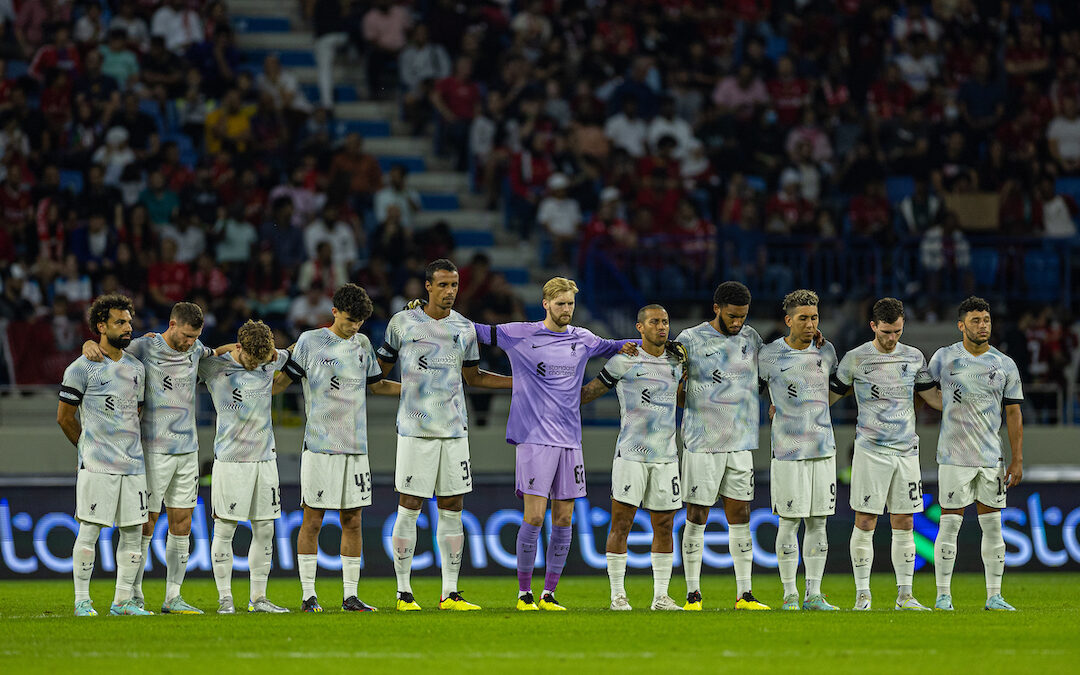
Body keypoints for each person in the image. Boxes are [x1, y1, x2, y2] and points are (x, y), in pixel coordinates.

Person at [471, 277, 636, 610]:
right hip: (535, 438)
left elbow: (618, 344)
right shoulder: (520, 334)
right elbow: (475, 330)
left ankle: (548, 594)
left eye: (571, 304)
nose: (567, 310)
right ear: (545, 303)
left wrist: (651, 340)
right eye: (560, 304)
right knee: (534, 517)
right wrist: (434, 319)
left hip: (570, 441)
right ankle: (523, 594)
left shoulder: (583, 339)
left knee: (563, 519)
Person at [376, 259, 512, 611]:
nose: (450, 291)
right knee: (409, 507)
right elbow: (377, 375)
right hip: (415, 431)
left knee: (453, 508)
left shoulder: (464, 328)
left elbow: (474, 377)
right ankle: (404, 593)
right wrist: (408, 392)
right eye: (443, 285)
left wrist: (519, 383)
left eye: (454, 285)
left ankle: (450, 593)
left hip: (454, 431)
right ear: (428, 286)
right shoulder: (402, 323)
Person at [81, 302, 231, 614]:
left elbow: (215, 353)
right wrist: (89, 343)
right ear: (172, 324)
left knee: (182, 521)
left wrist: (240, 348)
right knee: (145, 522)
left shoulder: (196, 349)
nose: (190, 342)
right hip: (151, 450)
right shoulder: (144, 347)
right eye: (186, 335)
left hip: (188, 451)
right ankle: (133, 594)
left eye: (195, 337)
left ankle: (172, 597)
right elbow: (111, 351)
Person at [272, 284, 401, 612]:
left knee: (353, 520)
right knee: (313, 519)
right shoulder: (310, 342)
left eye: (359, 321)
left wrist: (415, 389)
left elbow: (378, 385)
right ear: (334, 312)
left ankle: (349, 596)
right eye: (348, 319)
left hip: (356, 450)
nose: (354, 326)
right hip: (319, 447)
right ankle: (307, 595)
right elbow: (281, 383)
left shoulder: (362, 344)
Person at [829, 298, 942, 611]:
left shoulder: (914, 356)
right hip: (871, 451)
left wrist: (965, 403)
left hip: (906, 451)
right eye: (886, 332)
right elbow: (829, 396)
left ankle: (905, 595)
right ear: (873, 326)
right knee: (865, 520)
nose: (892, 338)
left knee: (905, 520)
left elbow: (931, 397)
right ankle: (862, 594)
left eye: (897, 332)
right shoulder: (856, 359)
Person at [581, 305, 685, 611]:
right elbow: (589, 393)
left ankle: (661, 597)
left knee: (664, 525)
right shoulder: (624, 360)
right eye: (654, 322)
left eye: (665, 321)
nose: (662, 327)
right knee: (621, 523)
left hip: (666, 456)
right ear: (640, 327)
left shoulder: (677, 361)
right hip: (631, 455)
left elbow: (682, 398)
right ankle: (617, 595)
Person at [927, 297, 1024, 611]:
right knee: (950, 524)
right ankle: (943, 596)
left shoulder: (1005, 364)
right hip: (954, 456)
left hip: (990, 457)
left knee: (993, 526)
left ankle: (994, 596)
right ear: (961, 325)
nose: (982, 325)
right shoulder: (944, 358)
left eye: (986, 320)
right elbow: (922, 391)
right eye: (976, 320)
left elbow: (1013, 414)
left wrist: (1017, 458)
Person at [677, 281, 770, 610]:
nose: (738, 323)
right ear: (716, 308)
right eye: (732, 316)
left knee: (741, 516)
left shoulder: (751, 338)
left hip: (741, 444)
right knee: (697, 516)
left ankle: (744, 594)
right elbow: (674, 389)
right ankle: (692, 595)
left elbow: (763, 377)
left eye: (743, 316)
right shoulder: (689, 339)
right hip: (702, 443)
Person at [57, 294, 151, 616]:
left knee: (133, 533)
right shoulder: (81, 368)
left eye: (129, 321)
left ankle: (122, 602)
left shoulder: (137, 368)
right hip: (97, 465)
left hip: (133, 464)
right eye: (119, 322)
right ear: (101, 326)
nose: (128, 327)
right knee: (89, 531)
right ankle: (82, 600)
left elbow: (134, 413)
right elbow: (64, 418)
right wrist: (86, 449)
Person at [198, 320, 292, 614]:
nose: (256, 365)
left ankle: (258, 598)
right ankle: (225, 598)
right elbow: (184, 355)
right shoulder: (214, 367)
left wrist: (274, 353)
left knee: (265, 529)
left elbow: (295, 350)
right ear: (239, 348)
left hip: (265, 460)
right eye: (252, 358)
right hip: (230, 461)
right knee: (225, 530)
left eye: (262, 359)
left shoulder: (269, 360)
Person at [758, 290, 839, 611]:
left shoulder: (827, 351)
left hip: (823, 448)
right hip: (788, 451)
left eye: (814, 318)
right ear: (788, 320)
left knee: (818, 522)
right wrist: (772, 405)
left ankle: (814, 595)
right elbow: (753, 388)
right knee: (790, 522)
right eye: (803, 318)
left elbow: (831, 389)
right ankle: (790, 594)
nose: (809, 324)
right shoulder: (768, 356)